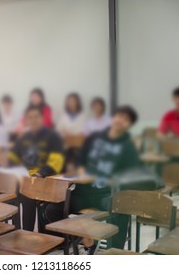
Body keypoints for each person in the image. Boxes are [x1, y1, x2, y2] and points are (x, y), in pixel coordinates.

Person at [45, 105, 140, 253]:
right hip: (82, 192)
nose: (121, 121)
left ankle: (115, 252)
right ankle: (86, 239)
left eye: (126, 120)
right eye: (119, 116)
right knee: (52, 210)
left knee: (122, 208)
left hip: (105, 194)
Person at [0, 105, 64, 231]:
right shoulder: (25, 137)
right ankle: (17, 232)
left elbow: (57, 161)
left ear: (42, 118)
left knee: (26, 191)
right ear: (26, 120)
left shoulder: (52, 136)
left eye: (36, 117)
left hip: (46, 178)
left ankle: (28, 233)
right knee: (11, 187)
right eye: (30, 117)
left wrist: (40, 173)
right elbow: (13, 155)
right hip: (27, 178)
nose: (33, 120)